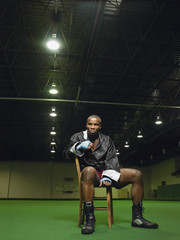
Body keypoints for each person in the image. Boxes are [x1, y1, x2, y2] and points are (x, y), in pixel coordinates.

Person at [65, 114, 159, 234]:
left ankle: (137, 218)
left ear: (100, 126)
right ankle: (90, 219)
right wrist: (78, 147)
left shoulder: (107, 139)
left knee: (137, 174)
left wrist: (108, 176)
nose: (92, 127)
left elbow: (112, 159)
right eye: (90, 124)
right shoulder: (77, 137)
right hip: (91, 174)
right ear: (86, 124)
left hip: (107, 172)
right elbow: (66, 153)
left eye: (96, 124)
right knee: (89, 170)